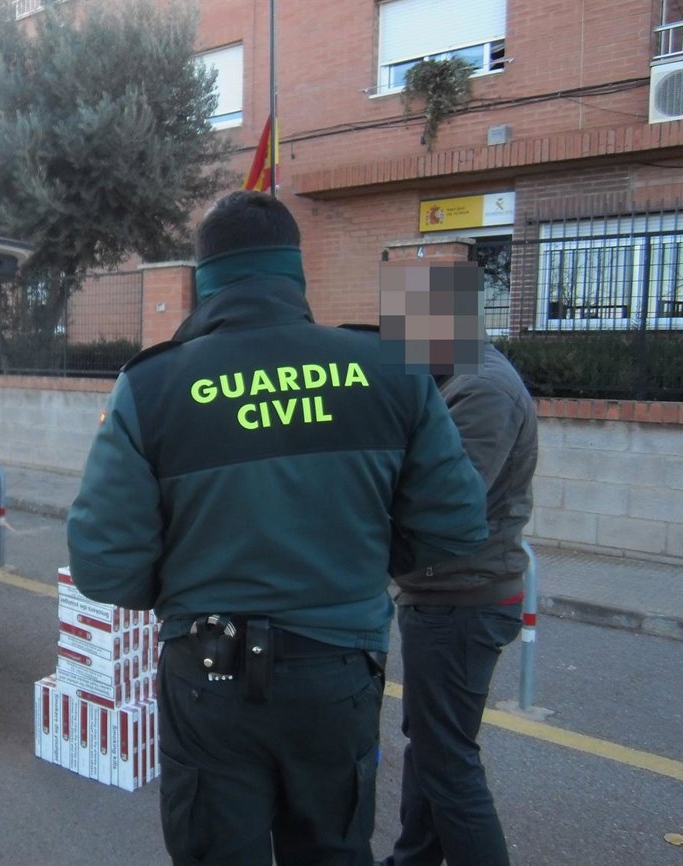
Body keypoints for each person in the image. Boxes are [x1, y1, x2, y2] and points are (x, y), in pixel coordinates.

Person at [65, 190, 489, 866]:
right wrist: (361, 562)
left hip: (207, 672)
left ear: (204, 279)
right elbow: (459, 523)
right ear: (296, 271)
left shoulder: (151, 385)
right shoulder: (390, 367)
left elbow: (103, 563)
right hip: (339, 672)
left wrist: (185, 589)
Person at [379, 341, 538, 866]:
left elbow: (446, 500)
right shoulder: (455, 376)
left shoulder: (483, 388)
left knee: (447, 761)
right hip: (446, 592)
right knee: (431, 747)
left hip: (461, 599)